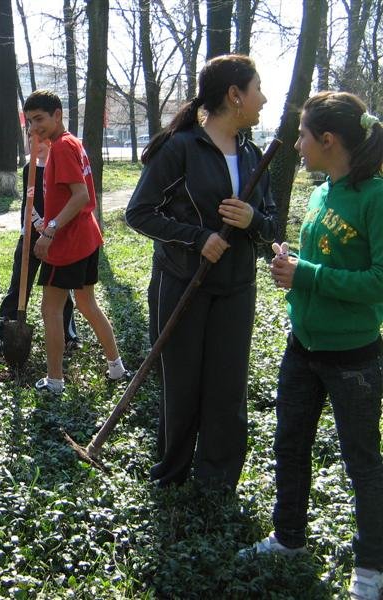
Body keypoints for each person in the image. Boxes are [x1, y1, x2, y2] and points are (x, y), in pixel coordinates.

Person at [241, 92, 383, 600]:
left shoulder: (375, 196)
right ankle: (289, 539)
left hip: (354, 360)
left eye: (302, 135)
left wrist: (309, 274)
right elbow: (324, 260)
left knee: (361, 460)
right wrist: (294, 260)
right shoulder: (323, 192)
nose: (296, 143)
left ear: (327, 141)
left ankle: (371, 568)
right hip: (302, 346)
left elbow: (378, 282)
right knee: (289, 445)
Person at [125, 54, 276, 491]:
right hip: (182, 285)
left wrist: (253, 221)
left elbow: (269, 223)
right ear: (235, 95)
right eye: (257, 88)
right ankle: (171, 474)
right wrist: (196, 237)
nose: (263, 99)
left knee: (228, 387)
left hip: (237, 288)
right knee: (181, 383)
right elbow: (140, 212)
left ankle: (217, 478)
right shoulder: (181, 149)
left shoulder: (252, 155)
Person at [23, 89, 125, 395]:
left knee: (50, 310)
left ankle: (54, 381)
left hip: (68, 243)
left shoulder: (63, 147)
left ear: (58, 115)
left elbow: (80, 196)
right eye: (29, 121)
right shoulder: (71, 143)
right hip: (86, 237)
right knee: (86, 303)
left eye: (39, 119)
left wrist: (50, 230)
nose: (34, 128)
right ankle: (117, 367)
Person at [0, 137, 82, 355]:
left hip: (55, 236)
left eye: (41, 139)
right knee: (18, 285)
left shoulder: (59, 167)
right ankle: (3, 335)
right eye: (30, 138)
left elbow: (67, 201)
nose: (35, 143)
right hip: (29, 235)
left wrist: (50, 228)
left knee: (60, 288)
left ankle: (69, 336)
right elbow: (29, 201)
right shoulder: (29, 168)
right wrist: (36, 223)